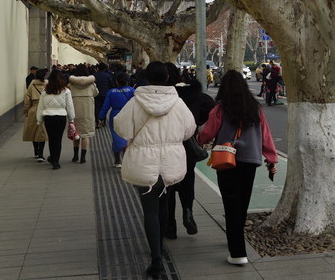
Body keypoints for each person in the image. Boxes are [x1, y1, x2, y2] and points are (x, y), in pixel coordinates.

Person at [113, 61, 195, 279]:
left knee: (149, 210)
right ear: (167, 78)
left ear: (146, 78)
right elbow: (189, 130)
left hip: (143, 162)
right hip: (170, 162)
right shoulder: (177, 103)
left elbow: (121, 127)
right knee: (164, 203)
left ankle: (156, 259)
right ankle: (160, 246)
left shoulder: (135, 102)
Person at [198, 70, 278, 266]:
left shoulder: (220, 109)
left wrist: (198, 139)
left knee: (231, 205)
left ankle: (237, 252)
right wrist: (271, 158)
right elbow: (265, 135)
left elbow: (207, 133)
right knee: (242, 205)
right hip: (250, 160)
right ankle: (236, 240)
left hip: (226, 160)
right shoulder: (255, 108)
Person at [165, 66, 215, 239]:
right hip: (188, 146)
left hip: (167, 147)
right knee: (187, 180)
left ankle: (170, 226)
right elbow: (211, 107)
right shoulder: (195, 94)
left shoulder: (164, 96)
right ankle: (188, 211)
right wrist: (196, 124)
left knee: (168, 186)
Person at [36, 69, 75, 170]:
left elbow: (41, 106)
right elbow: (70, 106)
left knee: (51, 139)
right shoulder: (66, 91)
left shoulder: (45, 91)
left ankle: (52, 158)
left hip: (48, 117)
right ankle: (56, 162)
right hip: (61, 116)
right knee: (58, 139)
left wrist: (39, 120)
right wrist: (71, 119)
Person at [99, 72, 136, 167]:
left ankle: (117, 161)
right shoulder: (132, 90)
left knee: (116, 136)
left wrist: (101, 117)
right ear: (128, 81)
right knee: (128, 136)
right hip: (129, 115)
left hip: (115, 115)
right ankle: (126, 161)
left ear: (116, 81)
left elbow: (105, 106)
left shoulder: (111, 92)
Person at [67, 64, 98, 163]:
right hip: (87, 112)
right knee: (85, 135)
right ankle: (83, 157)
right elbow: (96, 93)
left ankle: (75, 156)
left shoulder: (71, 84)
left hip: (75, 111)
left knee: (76, 133)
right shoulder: (91, 84)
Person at [22, 69, 47, 162]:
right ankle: (41, 154)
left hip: (34, 108)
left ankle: (36, 152)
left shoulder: (31, 86)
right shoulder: (47, 85)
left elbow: (27, 100)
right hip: (44, 109)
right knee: (42, 132)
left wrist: (26, 111)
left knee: (34, 130)